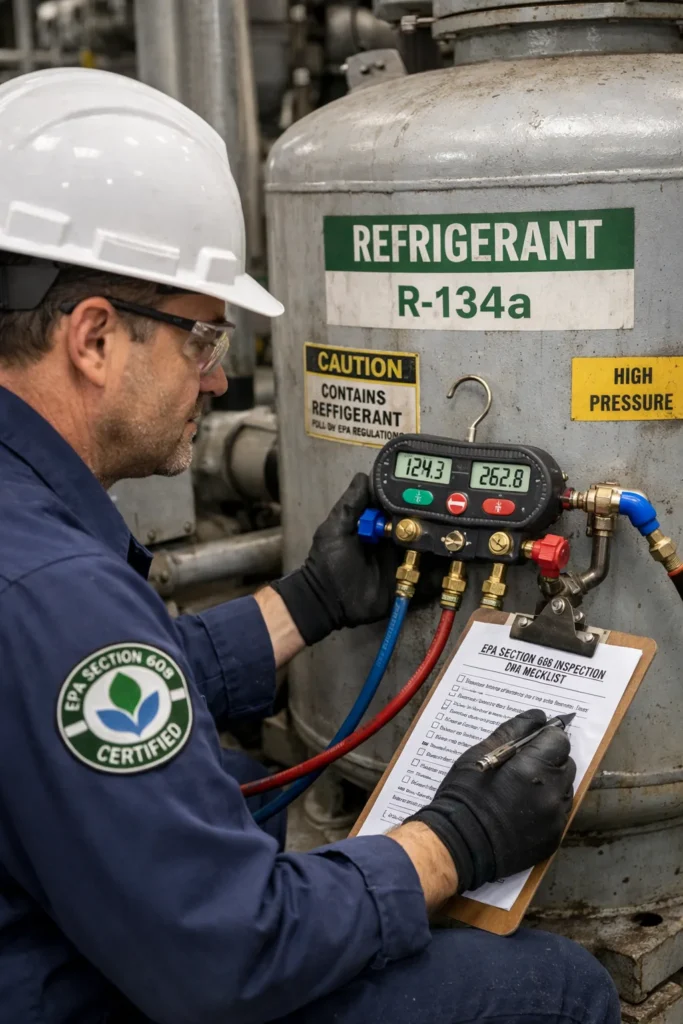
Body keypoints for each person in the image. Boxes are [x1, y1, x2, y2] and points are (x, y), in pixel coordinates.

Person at [0, 67, 619, 1024]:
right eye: (203, 341)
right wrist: (451, 840)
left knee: (245, 781)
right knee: (554, 984)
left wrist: (311, 601)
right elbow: (229, 953)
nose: (214, 382)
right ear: (92, 339)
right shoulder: (57, 589)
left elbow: (90, 690)